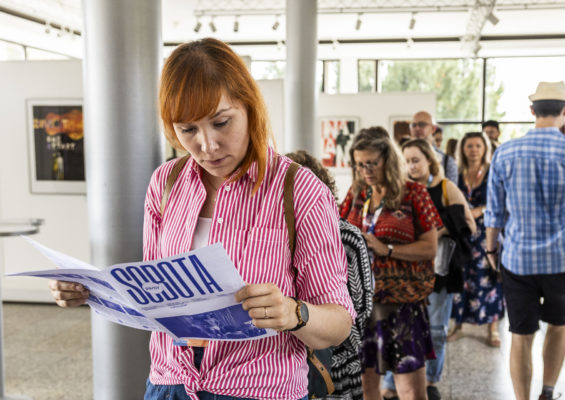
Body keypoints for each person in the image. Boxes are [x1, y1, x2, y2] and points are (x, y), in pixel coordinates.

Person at [48, 38, 356, 400]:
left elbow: (339, 324)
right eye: (188, 130)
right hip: (169, 384)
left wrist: (294, 313)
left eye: (221, 122)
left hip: (258, 389)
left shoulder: (299, 190)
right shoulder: (166, 183)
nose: (207, 145)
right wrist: (91, 291)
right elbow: (154, 293)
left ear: (250, 107)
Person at [485, 81, 565, 400]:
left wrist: (492, 249)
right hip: (563, 257)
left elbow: (494, 211)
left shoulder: (506, 151)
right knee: (559, 325)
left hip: (518, 259)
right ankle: (547, 392)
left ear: (532, 111)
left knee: (521, 334)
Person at [339, 126, 442, 400]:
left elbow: (430, 247)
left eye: (372, 163)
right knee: (365, 387)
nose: (366, 170)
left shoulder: (414, 194)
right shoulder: (357, 194)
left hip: (400, 305)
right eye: (360, 164)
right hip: (359, 306)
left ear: (389, 159)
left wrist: (388, 249)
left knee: (410, 391)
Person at [286, 150, 374, 400]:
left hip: (335, 365)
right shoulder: (272, 236)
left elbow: (360, 311)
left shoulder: (346, 236)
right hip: (284, 363)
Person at [401, 139, 476, 400]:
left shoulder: (445, 188)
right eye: (407, 161)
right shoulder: (402, 190)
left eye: (416, 160)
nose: (411, 166)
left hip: (440, 270)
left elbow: (470, 226)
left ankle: (431, 380)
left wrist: (435, 232)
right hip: (406, 271)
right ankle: (401, 380)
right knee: (403, 327)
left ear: (429, 161)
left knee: (435, 329)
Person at [447, 131, 504, 347]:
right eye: (469, 146)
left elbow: (501, 200)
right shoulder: (457, 173)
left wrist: (481, 209)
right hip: (463, 233)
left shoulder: (492, 171)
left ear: (485, 148)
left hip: (487, 233)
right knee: (462, 278)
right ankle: (458, 325)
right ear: (463, 148)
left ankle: (493, 328)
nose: (473, 150)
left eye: (478, 146)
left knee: (490, 277)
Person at [410, 111, 458, 184]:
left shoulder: (447, 161)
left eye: (422, 124)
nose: (417, 128)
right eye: (413, 125)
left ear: (433, 128)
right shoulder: (401, 158)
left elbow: (451, 192)